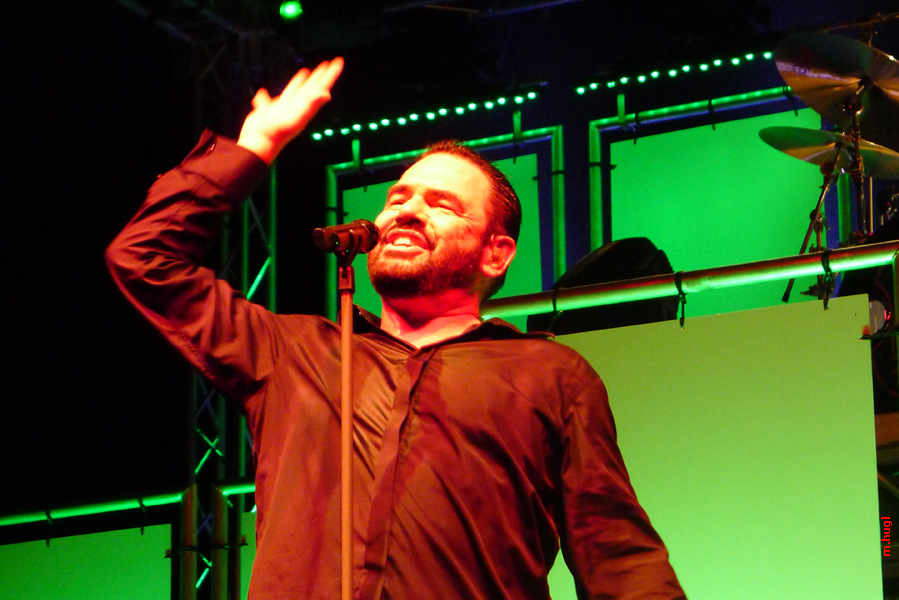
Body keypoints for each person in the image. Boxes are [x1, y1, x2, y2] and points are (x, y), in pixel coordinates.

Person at [107, 58, 685, 599]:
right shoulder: (293, 352)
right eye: (397, 198)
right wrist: (255, 147)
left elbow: (617, 555)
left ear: (496, 253)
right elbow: (144, 259)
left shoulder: (549, 375)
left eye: (443, 205)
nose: (406, 211)